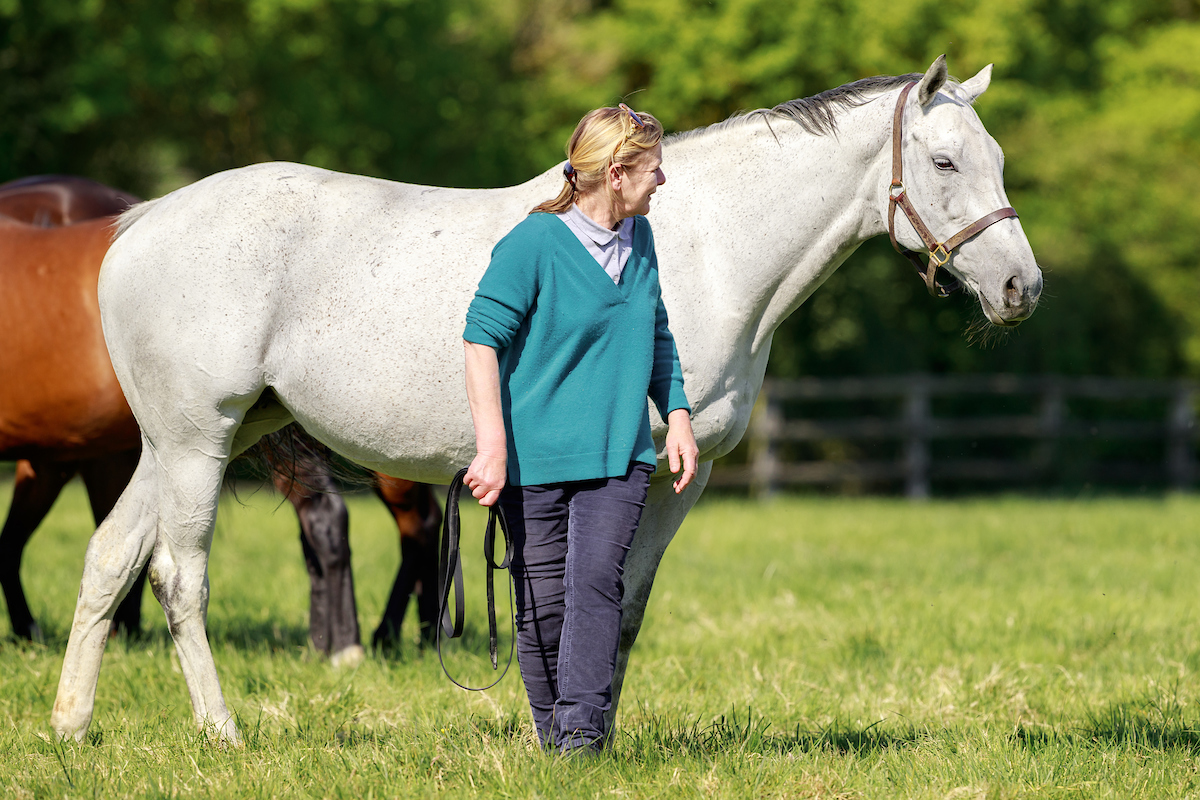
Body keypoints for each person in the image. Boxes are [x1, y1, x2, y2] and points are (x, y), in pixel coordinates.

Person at [461, 103, 698, 754]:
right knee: (541, 608)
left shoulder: (640, 241)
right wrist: (492, 445)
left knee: (596, 591)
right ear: (617, 173)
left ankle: (580, 744)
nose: (662, 182)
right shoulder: (534, 244)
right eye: (654, 170)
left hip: (619, 457)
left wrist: (675, 414)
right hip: (533, 460)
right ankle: (553, 738)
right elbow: (480, 339)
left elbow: (655, 332)